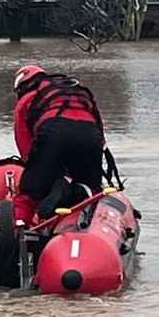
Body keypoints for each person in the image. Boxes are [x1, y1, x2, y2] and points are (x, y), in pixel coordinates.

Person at [11, 65, 120, 226]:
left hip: (53, 133)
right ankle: (81, 199)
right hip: (90, 136)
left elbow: (24, 142)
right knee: (92, 187)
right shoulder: (75, 91)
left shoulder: (27, 99)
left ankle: (19, 226)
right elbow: (98, 125)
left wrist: (34, 171)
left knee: (30, 192)